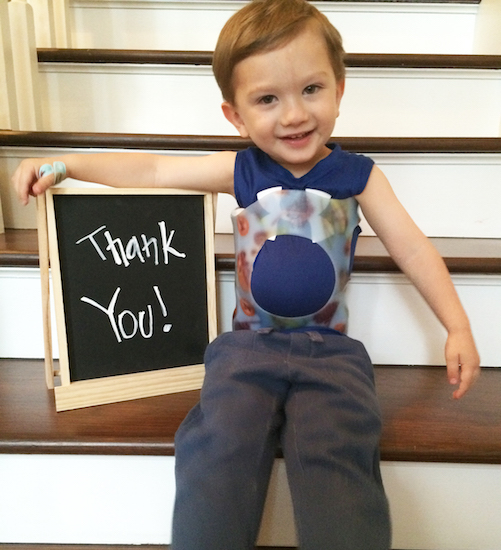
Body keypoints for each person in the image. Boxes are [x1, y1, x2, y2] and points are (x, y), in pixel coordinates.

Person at [12, 0, 480, 548]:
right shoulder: (242, 169)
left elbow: (412, 248)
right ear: (235, 115)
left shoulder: (358, 176)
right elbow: (155, 168)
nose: (294, 115)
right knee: (220, 443)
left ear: (340, 88)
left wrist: (457, 325)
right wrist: (71, 165)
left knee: (340, 448)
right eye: (267, 99)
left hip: (330, 350)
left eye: (311, 89)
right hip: (247, 348)